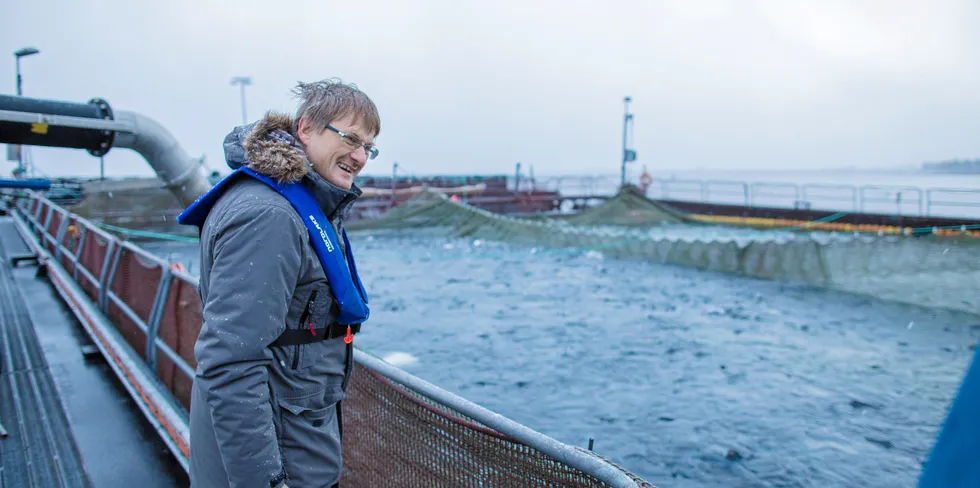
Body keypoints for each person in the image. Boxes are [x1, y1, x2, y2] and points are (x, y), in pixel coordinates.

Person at [176, 79, 381, 488]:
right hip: (283, 456)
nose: (360, 157)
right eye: (351, 139)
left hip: (291, 438)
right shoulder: (271, 215)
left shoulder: (278, 199)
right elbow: (230, 361)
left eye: (369, 148)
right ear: (305, 129)